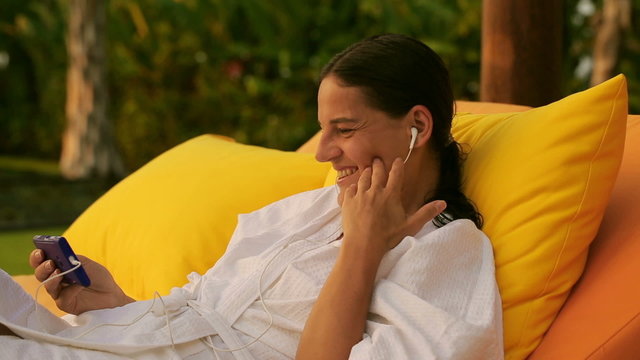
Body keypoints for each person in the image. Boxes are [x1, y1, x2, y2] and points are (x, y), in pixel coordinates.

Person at [0, 34, 503, 359]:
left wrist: (363, 249)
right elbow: (209, 323)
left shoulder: (447, 254)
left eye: (344, 129)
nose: (324, 153)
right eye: (322, 130)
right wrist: (113, 305)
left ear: (417, 125)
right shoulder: (313, 211)